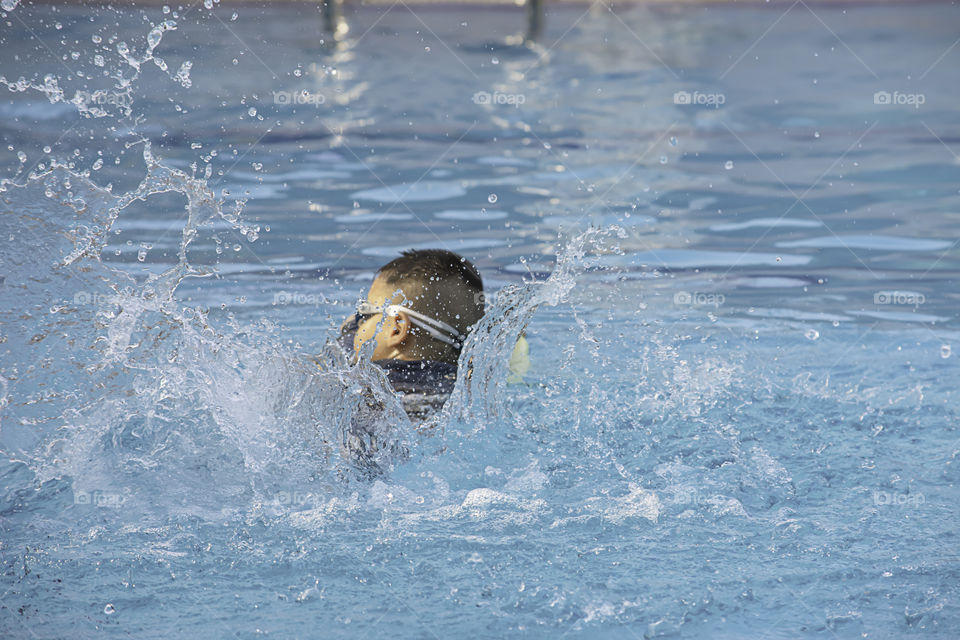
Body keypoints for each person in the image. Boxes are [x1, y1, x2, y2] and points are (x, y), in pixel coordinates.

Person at [338, 249, 485, 418]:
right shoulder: (466, 389)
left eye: (364, 314)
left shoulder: (372, 385)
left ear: (397, 328)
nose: (358, 326)